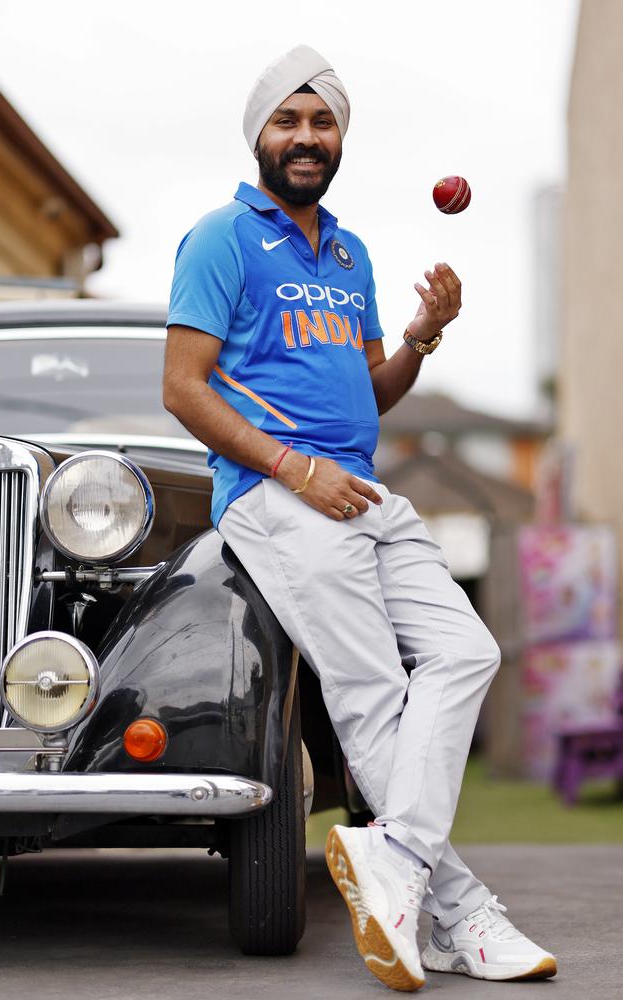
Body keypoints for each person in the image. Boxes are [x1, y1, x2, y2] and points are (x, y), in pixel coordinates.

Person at [163, 44, 557, 992]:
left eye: (323, 121)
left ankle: (400, 858)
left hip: (365, 493)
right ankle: (466, 917)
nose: (306, 137)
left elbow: (371, 394)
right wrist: (295, 470)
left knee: (468, 653)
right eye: (288, 121)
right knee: (372, 691)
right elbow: (182, 388)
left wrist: (423, 335)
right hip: (277, 498)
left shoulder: (349, 252)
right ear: (259, 134)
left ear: (341, 139)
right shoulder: (220, 238)